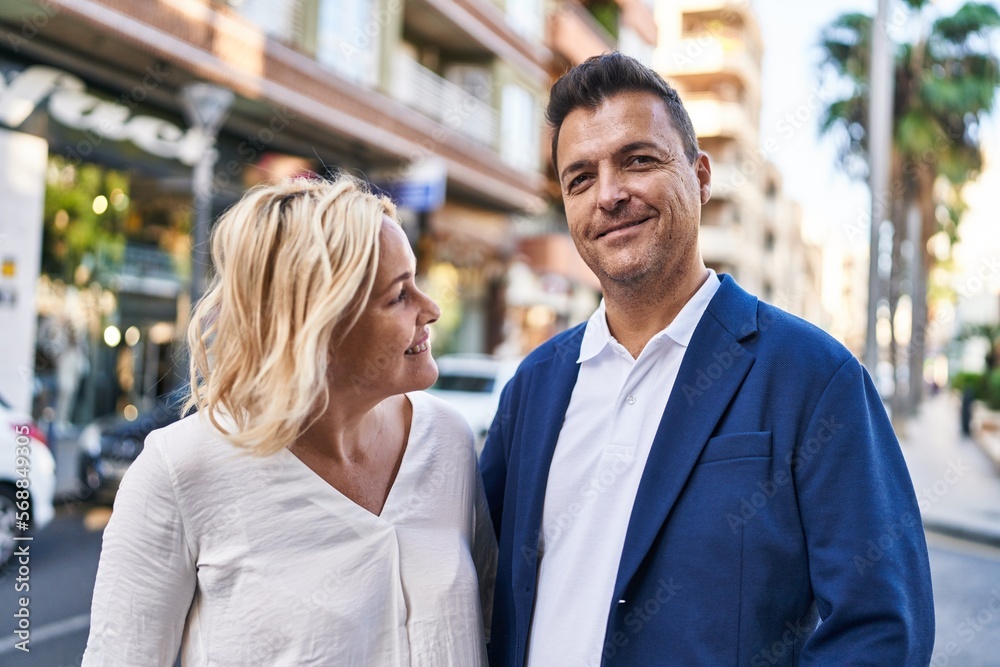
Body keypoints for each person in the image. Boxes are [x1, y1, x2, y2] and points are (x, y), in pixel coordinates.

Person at [479, 53, 934, 666]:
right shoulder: (532, 388)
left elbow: (883, 627)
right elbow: (480, 588)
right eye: (579, 178)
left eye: (638, 159)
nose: (609, 194)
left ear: (700, 175)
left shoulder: (812, 376)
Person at [83, 177, 496, 665]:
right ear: (315, 328)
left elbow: (493, 627)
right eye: (398, 296)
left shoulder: (447, 439)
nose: (431, 309)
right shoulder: (179, 470)